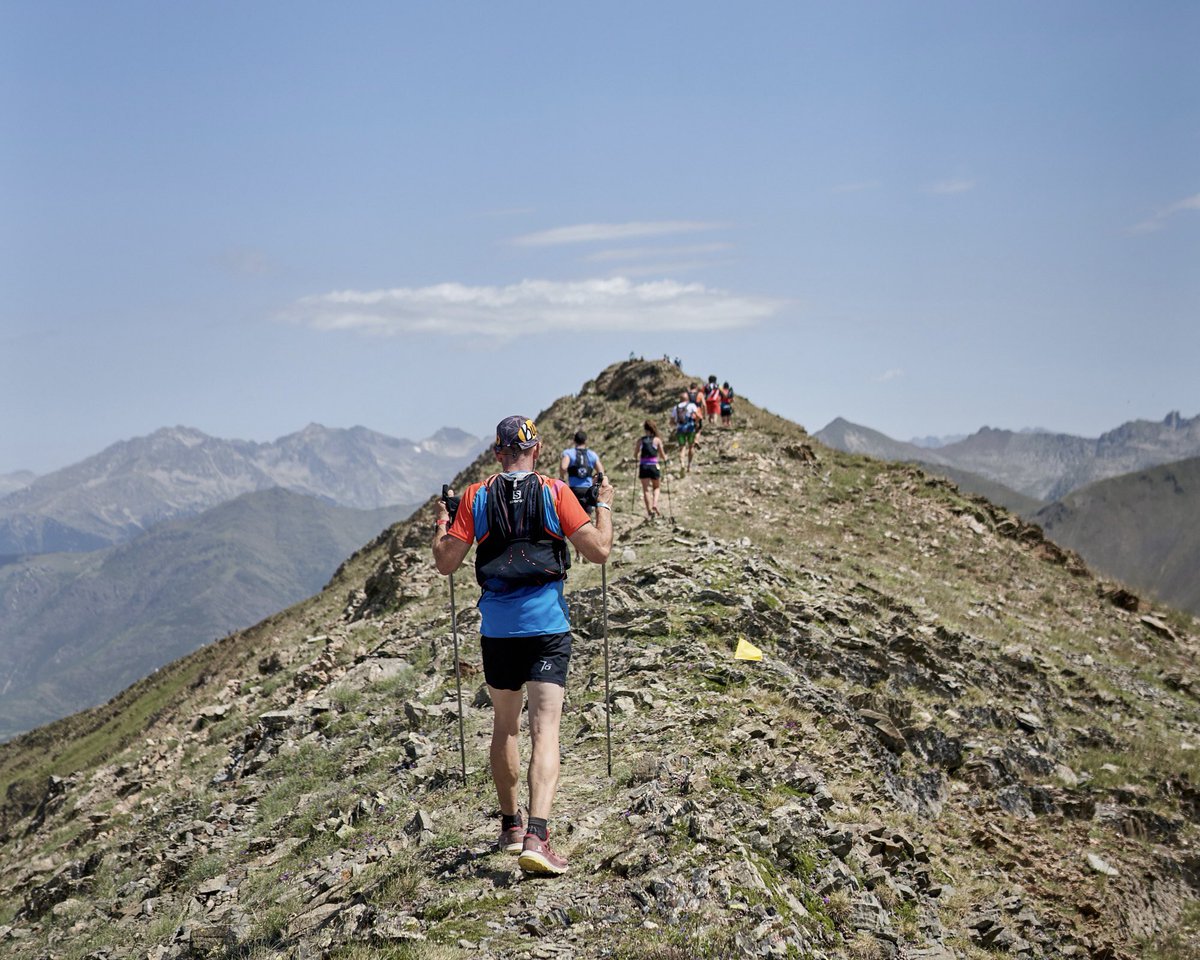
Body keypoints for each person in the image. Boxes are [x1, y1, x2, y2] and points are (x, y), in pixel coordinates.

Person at [433, 416, 614, 876]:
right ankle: (538, 835)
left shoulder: (476, 496)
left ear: (497, 452)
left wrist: (443, 523)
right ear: (537, 449)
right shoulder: (555, 492)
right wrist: (605, 507)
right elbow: (598, 551)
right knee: (545, 730)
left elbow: (446, 563)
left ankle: (511, 827)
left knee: (505, 726)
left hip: (497, 630)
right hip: (547, 627)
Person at [559, 430, 605, 516]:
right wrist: (595, 483)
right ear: (586, 441)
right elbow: (601, 471)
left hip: (574, 489)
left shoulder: (568, 453)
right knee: (587, 515)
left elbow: (563, 467)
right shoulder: (592, 454)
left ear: (574, 440)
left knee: (573, 515)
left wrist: (562, 477)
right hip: (587, 489)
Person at [634, 419, 668, 518]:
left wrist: (637, 456)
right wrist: (665, 459)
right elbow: (662, 455)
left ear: (645, 429)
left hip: (643, 466)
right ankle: (655, 504)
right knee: (656, 487)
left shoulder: (641, 440)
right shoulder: (657, 440)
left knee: (646, 489)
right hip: (654, 466)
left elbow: (635, 454)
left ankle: (649, 511)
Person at [671, 390, 701, 474]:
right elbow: (698, 415)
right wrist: (696, 422)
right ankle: (689, 466)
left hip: (680, 429)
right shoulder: (692, 405)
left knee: (682, 447)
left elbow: (671, 421)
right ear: (687, 398)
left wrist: (676, 424)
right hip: (690, 429)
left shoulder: (675, 407)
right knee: (691, 446)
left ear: (680, 399)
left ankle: (682, 464)